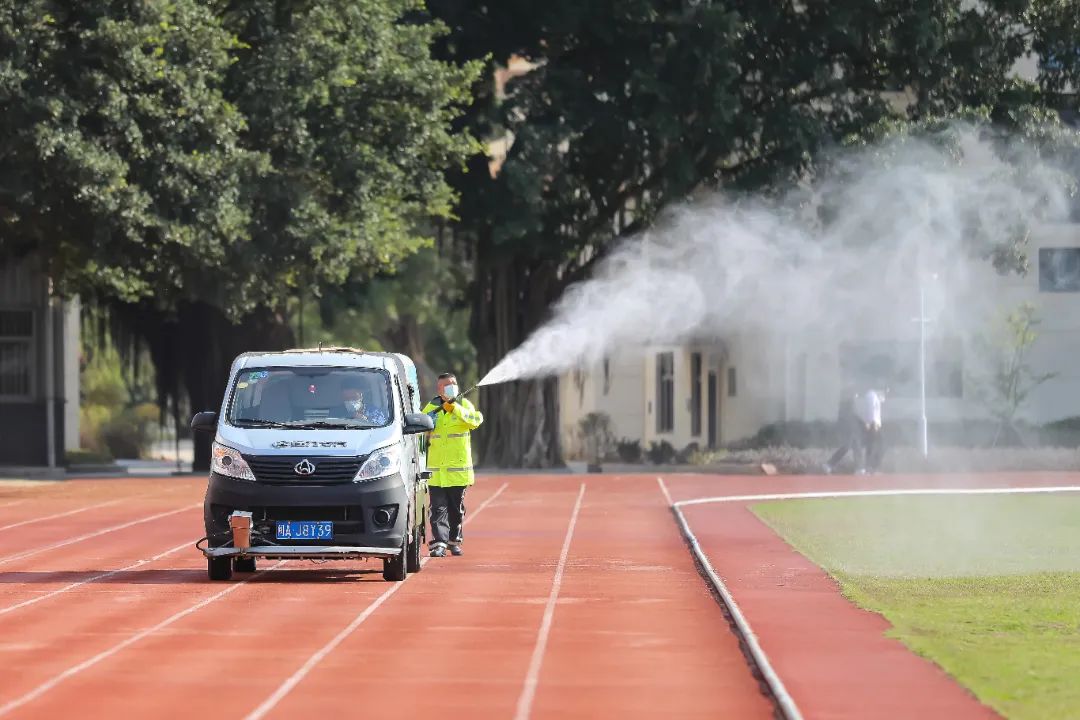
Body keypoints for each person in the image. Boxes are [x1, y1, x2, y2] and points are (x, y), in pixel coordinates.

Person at [421, 372, 483, 557]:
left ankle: (453, 540)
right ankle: (439, 543)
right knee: (438, 509)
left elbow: (476, 421)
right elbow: (421, 427)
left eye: (453, 384)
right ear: (439, 390)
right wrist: (429, 421)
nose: (451, 387)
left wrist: (454, 408)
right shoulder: (431, 407)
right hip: (437, 472)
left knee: (456, 510)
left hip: (458, 472)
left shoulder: (464, 405)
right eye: (447, 385)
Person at [853, 386, 886, 474]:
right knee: (878, 445)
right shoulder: (871, 395)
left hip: (873, 424)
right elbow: (872, 410)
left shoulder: (871, 395)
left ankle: (869, 467)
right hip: (874, 425)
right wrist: (873, 423)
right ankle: (872, 467)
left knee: (871, 446)